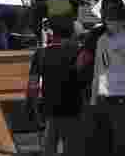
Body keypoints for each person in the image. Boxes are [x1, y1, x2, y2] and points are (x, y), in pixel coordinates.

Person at [85, 0, 125, 156]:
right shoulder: (101, 39)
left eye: (112, 16)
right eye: (107, 17)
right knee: (103, 145)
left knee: (121, 146)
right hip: (104, 98)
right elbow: (98, 71)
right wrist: (94, 101)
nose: (109, 20)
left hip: (122, 99)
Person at [26, 20, 84, 156]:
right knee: (72, 148)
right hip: (73, 109)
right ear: (73, 35)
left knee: (48, 147)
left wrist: (32, 107)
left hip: (49, 109)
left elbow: (33, 85)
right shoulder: (79, 52)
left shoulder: (41, 54)